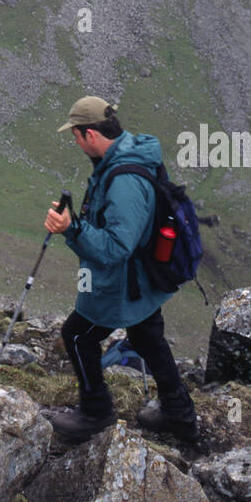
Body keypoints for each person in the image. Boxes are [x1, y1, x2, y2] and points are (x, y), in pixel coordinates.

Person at [41, 95, 199, 443]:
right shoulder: (127, 152)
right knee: (147, 336)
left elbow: (116, 247)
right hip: (144, 275)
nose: (76, 143)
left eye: (76, 136)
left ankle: (95, 413)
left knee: (78, 335)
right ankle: (180, 416)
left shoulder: (124, 180)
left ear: (90, 135)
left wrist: (71, 228)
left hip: (126, 281)